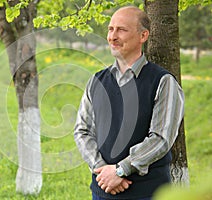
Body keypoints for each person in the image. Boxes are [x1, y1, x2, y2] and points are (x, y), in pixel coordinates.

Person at [74, 6, 184, 200]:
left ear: (143, 36)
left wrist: (119, 171)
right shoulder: (96, 81)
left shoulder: (163, 82)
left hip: (148, 193)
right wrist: (103, 171)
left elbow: (161, 138)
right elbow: (82, 131)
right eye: (110, 29)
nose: (112, 37)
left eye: (121, 30)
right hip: (102, 192)